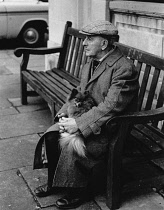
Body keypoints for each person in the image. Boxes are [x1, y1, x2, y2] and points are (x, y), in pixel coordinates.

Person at [33, 20, 139, 209]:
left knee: (71, 143)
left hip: (112, 126)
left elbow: (111, 106)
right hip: (89, 115)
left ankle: (77, 191)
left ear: (104, 44)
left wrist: (79, 124)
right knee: (51, 135)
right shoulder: (90, 63)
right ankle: (55, 182)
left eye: (90, 39)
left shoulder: (123, 68)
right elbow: (80, 91)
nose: (84, 43)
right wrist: (65, 111)